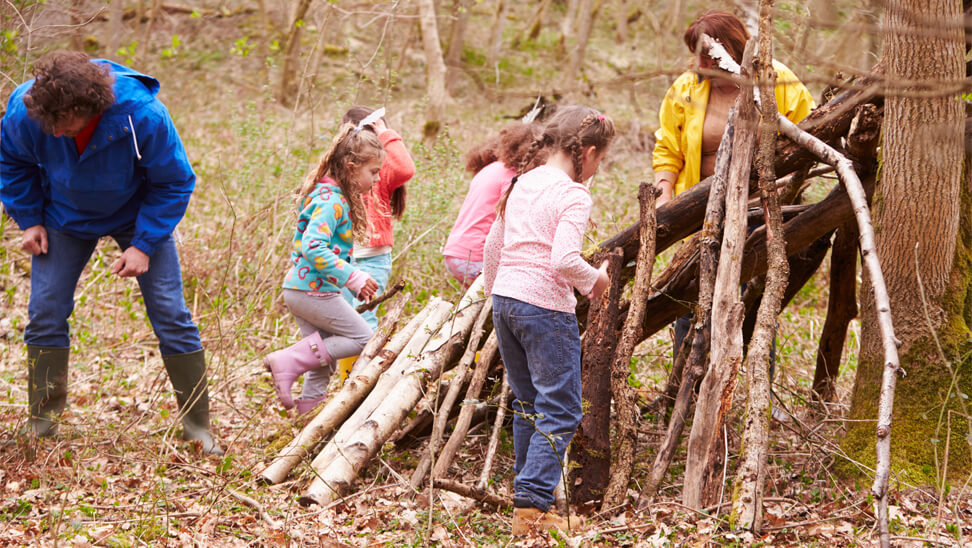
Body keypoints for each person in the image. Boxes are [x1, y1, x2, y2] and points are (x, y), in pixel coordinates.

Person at [0, 51, 222, 455]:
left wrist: (143, 244)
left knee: (172, 314)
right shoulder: (28, 109)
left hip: (137, 216)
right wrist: (28, 218)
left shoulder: (143, 115)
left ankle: (198, 427)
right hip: (62, 216)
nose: (51, 132)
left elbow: (174, 182)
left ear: (84, 108)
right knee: (45, 312)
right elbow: (12, 162)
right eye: (45, 123)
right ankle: (42, 424)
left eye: (60, 123)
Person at [652, 9, 815, 359]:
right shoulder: (686, 88)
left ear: (731, 47)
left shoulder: (777, 80)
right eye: (695, 54)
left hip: (759, 213)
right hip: (698, 214)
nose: (699, 62)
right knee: (691, 299)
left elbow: (808, 137)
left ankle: (755, 398)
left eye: (706, 54)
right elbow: (667, 147)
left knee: (749, 304)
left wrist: (782, 190)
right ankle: (686, 387)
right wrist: (665, 194)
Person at [483, 105, 614, 536]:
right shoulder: (573, 194)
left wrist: (496, 295)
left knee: (527, 405)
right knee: (560, 408)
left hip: (506, 301)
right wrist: (595, 281)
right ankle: (533, 506)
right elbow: (563, 259)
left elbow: (492, 245)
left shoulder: (524, 181)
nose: (597, 169)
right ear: (588, 152)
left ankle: (528, 500)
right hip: (544, 308)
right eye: (600, 160)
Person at [263, 121, 381, 415]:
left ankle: (307, 426)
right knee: (362, 337)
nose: (377, 179)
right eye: (373, 172)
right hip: (312, 292)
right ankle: (288, 360)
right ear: (352, 167)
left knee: (320, 361)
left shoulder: (328, 195)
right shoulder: (332, 201)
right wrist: (353, 276)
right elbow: (313, 247)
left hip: (302, 290)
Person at [338, 106, 415, 330]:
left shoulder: (380, 173)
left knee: (364, 317)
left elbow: (406, 169)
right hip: (343, 258)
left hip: (372, 259)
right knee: (342, 315)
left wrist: (385, 134)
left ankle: (362, 364)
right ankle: (344, 364)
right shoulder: (343, 171)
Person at [443, 122, 536, 287]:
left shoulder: (490, 168)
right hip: (476, 257)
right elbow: (515, 218)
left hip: (456, 252)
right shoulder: (511, 176)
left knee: (481, 304)